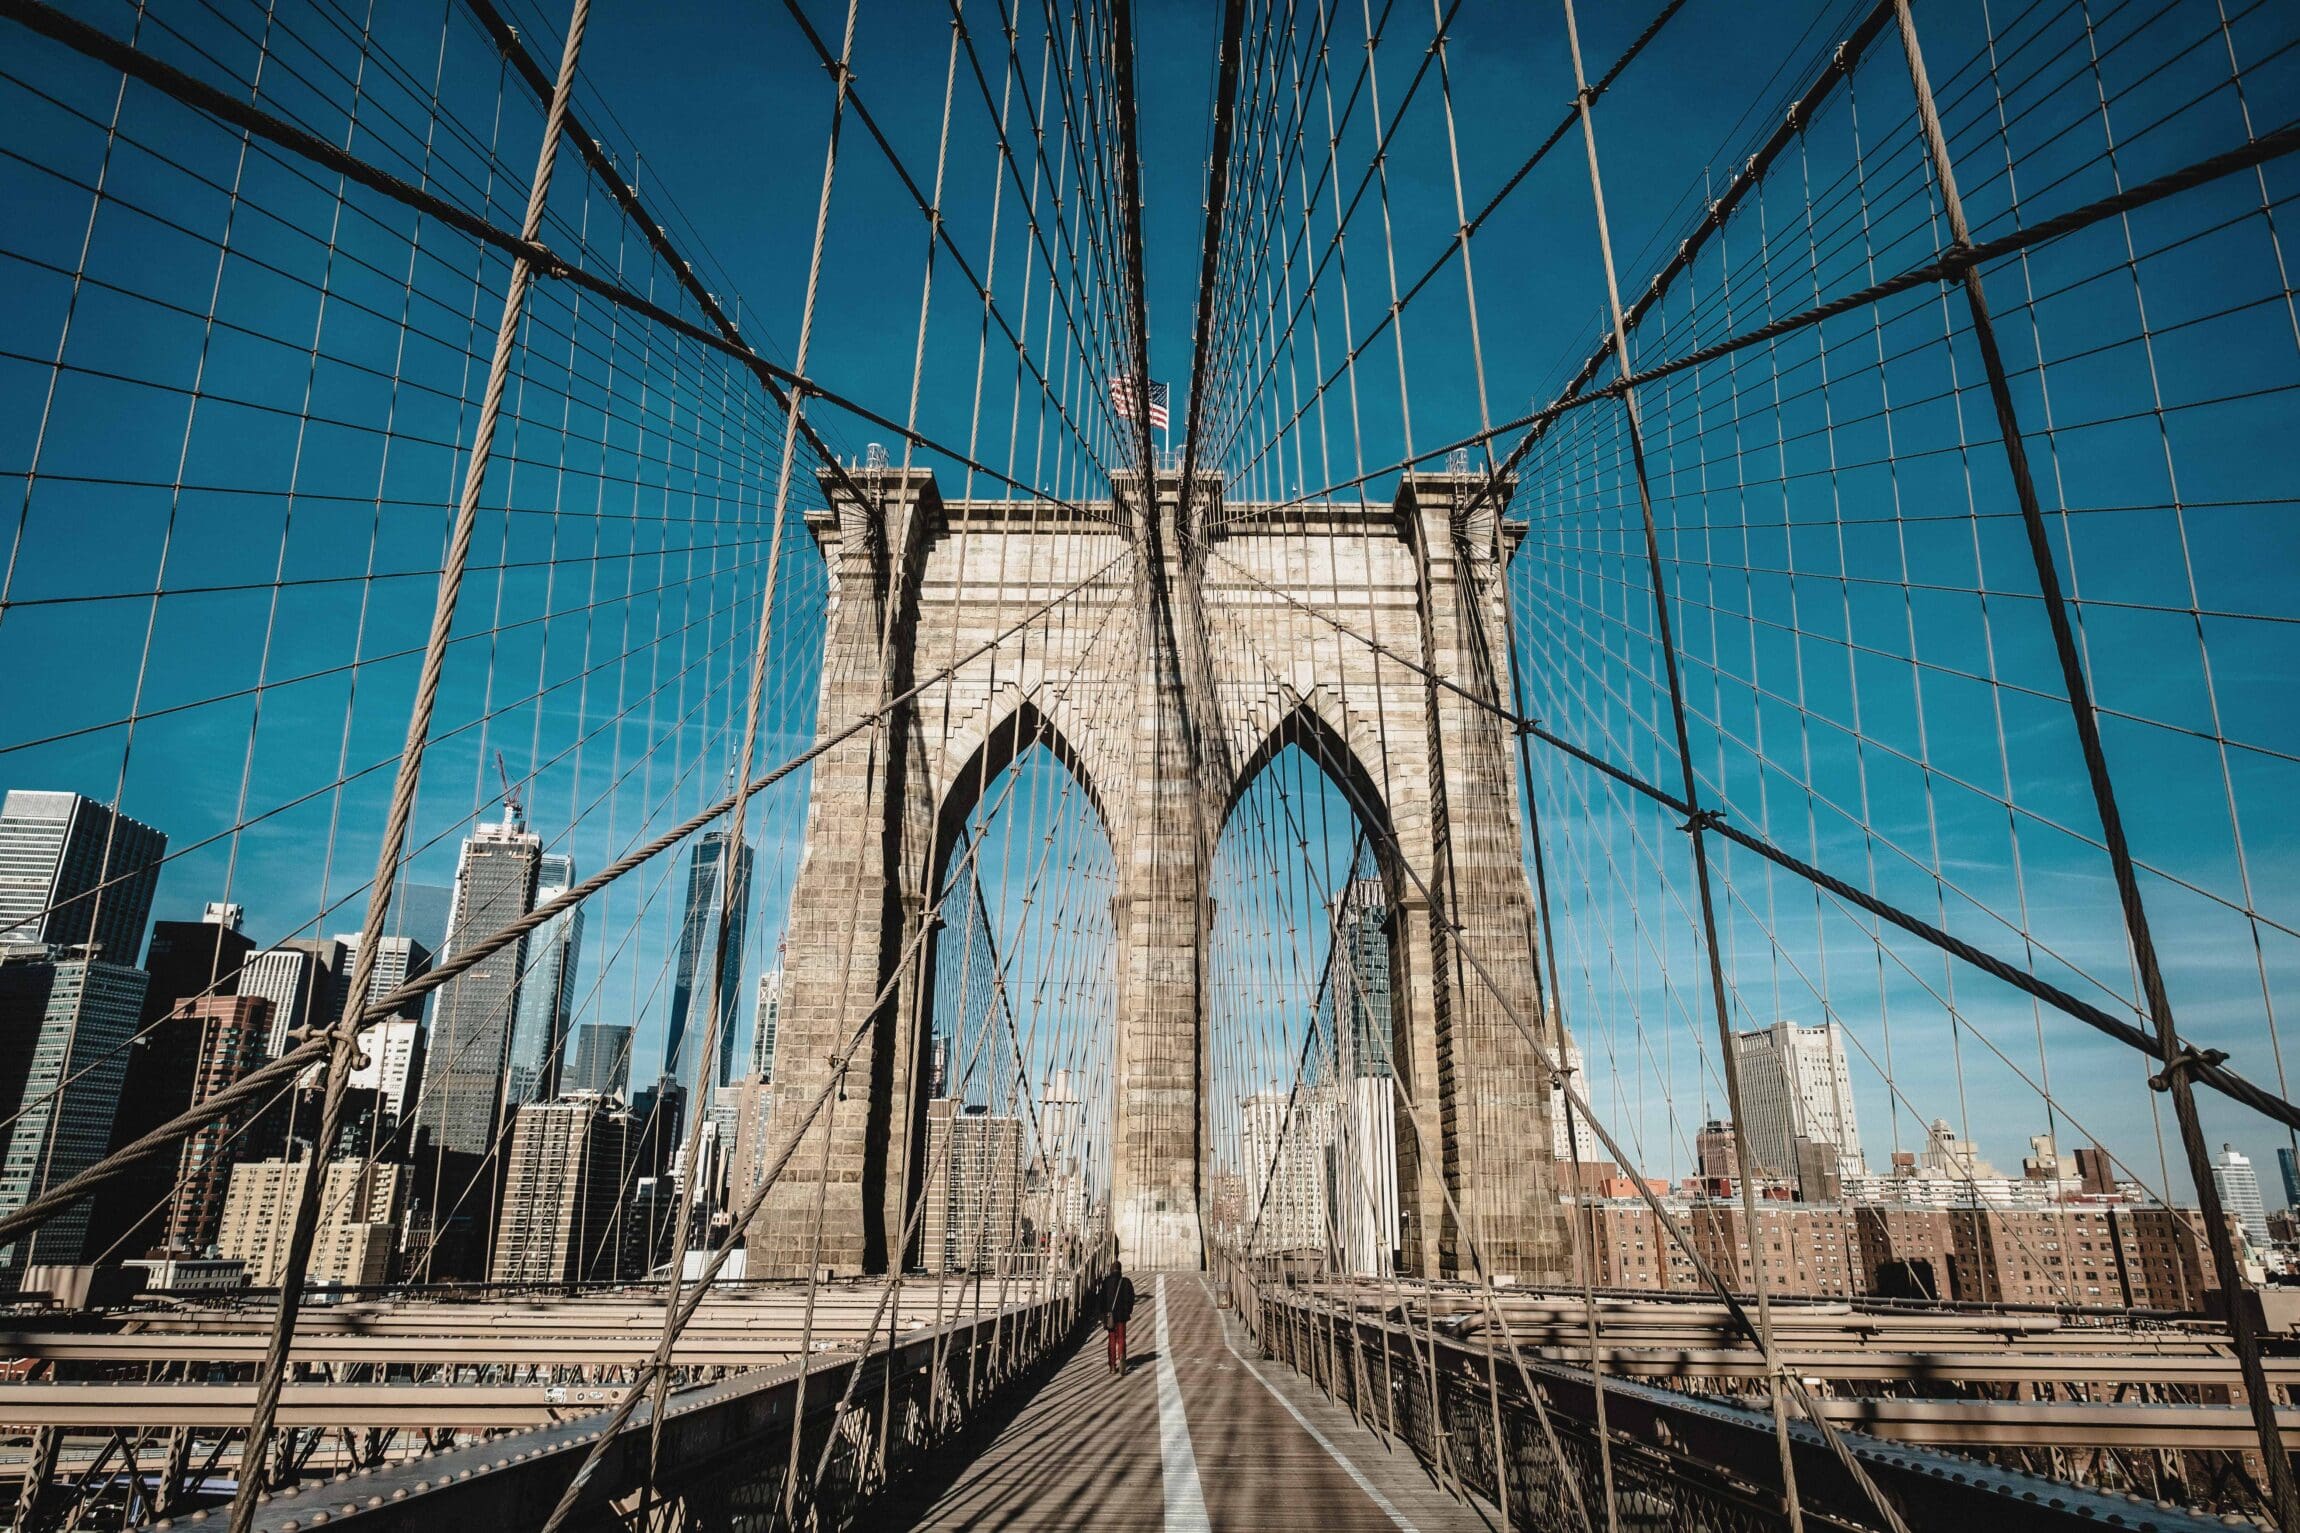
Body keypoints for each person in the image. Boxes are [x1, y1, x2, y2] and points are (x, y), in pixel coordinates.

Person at [1100, 1260, 1137, 1377]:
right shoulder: (1126, 1282)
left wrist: (1103, 1315)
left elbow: (1101, 1300)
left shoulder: (1106, 1282)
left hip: (1110, 1316)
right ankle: (1121, 1355)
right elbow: (1131, 1298)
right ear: (1120, 1270)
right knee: (1121, 1338)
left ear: (1111, 1269)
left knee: (1111, 1339)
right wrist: (1128, 1311)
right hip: (1122, 1316)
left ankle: (1112, 1366)